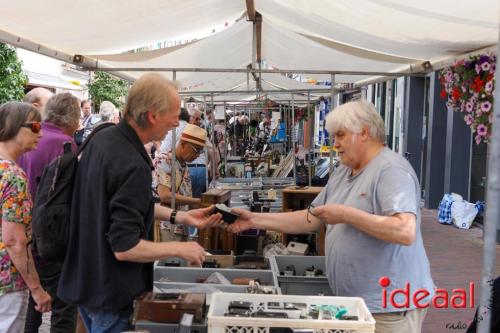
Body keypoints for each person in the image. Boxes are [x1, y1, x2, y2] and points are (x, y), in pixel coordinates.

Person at [229, 100, 434, 333]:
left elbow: (404, 231)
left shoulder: (391, 171)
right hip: (358, 304)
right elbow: (312, 218)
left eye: (340, 136)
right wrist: (253, 220)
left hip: (388, 308)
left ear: (364, 133)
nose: (334, 144)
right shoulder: (344, 171)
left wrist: (346, 214)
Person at [57, 74, 221, 333]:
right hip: (111, 294)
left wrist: (180, 217)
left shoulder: (103, 140)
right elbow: (125, 247)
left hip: (88, 284)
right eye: (175, 114)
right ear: (153, 114)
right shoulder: (132, 163)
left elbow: (125, 206)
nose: (176, 123)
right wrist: (181, 249)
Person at [18, 93, 81, 333]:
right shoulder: (64, 144)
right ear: (72, 118)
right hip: (51, 237)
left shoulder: (30, 137)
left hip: (24, 236)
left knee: (33, 303)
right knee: (64, 307)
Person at [0, 102, 51, 332]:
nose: (40, 133)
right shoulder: (13, 175)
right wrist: (36, 289)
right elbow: (15, 240)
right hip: (7, 283)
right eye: (35, 126)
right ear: (13, 127)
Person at [154, 124, 208, 241]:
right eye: (196, 150)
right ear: (183, 144)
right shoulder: (165, 161)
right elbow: (165, 196)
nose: (198, 155)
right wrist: (197, 201)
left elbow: (184, 199)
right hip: (167, 227)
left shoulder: (183, 166)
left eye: (200, 151)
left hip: (181, 225)